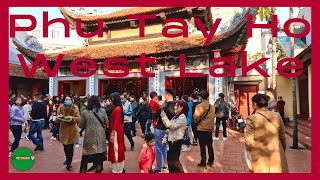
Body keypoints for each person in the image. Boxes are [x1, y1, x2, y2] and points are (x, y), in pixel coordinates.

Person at [245, 94, 288, 173]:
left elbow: (248, 142)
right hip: (276, 157)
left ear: (255, 104)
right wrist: (281, 151)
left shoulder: (251, 119)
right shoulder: (277, 115)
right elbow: (283, 136)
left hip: (259, 158)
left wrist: (250, 152)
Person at [79, 95, 109, 173]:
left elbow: (81, 125)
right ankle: (98, 168)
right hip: (101, 136)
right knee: (99, 153)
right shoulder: (103, 111)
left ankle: (83, 170)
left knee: (86, 154)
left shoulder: (85, 112)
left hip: (89, 136)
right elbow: (107, 123)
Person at [160, 101, 187, 173]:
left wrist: (164, 116)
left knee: (175, 162)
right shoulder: (176, 116)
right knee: (170, 161)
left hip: (176, 141)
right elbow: (169, 127)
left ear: (181, 108)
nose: (175, 107)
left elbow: (171, 126)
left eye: (177, 106)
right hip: (171, 140)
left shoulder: (182, 117)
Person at [55, 95, 81, 170]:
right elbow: (57, 120)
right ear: (64, 101)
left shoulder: (75, 107)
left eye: (69, 99)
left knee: (70, 147)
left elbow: (78, 118)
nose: (68, 101)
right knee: (65, 147)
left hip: (72, 130)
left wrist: (72, 118)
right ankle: (67, 158)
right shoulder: (60, 108)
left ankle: (69, 162)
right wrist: (58, 118)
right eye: (66, 100)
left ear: (72, 100)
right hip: (63, 130)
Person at [153, 89, 175, 172]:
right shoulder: (176, 105)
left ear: (168, 94)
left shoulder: (164, 105)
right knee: (165, 147)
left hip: (160, 128)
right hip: (169, 129)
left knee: (158, 148)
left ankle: (158, 167)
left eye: (165, 94)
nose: (164, 96)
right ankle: (166, 165)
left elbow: (155, 116)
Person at [193, 90, 215, 167]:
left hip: (201, 128)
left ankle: (203, 162)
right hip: (209, 129)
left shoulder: (199, 106)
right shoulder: (212, 106)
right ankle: (211, 160)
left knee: (202, 146)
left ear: (201, 97)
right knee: (210, 145)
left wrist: (196, 121)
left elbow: (196, 117)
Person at [108, 92, 126, 173]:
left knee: (116, 150)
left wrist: (112, 134)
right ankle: (119, 168)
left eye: (111, 99)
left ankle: (117, 169)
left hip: (116, 132)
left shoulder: (117, 109)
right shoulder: (118, 108)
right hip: (118, 131)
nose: (110, 100)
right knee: (119, 149)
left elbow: (116, 123)